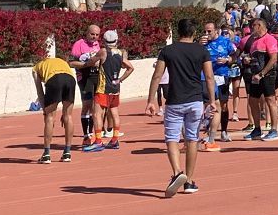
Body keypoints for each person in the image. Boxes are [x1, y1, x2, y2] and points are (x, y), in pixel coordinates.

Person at [146, 19, 217, 197]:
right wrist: (212, 100)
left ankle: (178, 172)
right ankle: (189, 181)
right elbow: (209, 77)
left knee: (171, 138)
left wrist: (151, 101)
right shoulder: (202, 50)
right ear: (193, 33)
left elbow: (157, 76)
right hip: (195, 100)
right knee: (192, 139)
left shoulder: (168, 51)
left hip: (174, 99)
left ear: (179, 32)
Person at [239, 18, 278, 141]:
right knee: (252, 101)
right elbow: (254, 58)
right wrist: (248, 60)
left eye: (253, 26)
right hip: (255, 75)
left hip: (267, 75)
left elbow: (273, 59)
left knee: (270, 100)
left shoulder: (270, 39)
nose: (251, 29)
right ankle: (257, 129)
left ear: (260, 26)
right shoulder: (255, 41)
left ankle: (274, 130)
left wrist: (262, 74)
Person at [32, 55, 77, 164]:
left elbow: (40, 91)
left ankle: (46, 154)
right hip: (70, 79)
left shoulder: (36, 68)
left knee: (50, 118)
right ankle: (67, 152)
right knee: (68, 116)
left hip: (54, 80)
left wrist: (45, 111)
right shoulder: (61, 62)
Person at [93, 30, 132, 150]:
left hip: (103, 88)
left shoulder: (103, 51)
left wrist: (85, 63)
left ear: (104, 41)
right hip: (115, 87)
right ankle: (115, 139)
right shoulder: (120, 53)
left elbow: (91, 61)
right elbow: (130, 67)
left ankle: (98, 141)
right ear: (116, 40)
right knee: (114, 113)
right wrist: (120, 79)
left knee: (97, 114)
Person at [70, 24, 105, 150]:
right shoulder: (79, 44)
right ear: (87, 33)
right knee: (87, 105)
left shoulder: (98, 45)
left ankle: (96, 136)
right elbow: (72, 63)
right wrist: (87, 64)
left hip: (97, 77)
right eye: (92, 34)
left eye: (97, 35)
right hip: (84, 78)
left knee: (97, 107)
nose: (94, 37)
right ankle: (86, 136)